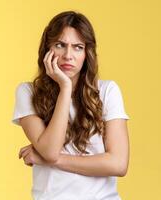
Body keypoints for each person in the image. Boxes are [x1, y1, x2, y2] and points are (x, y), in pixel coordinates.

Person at [11, 10, 130, 200]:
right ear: (47, 49)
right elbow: (50, 151)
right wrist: (65, 87)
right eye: (60, 45)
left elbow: (118, 164)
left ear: (87, 53)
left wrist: (51, 160)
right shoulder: (28, 93)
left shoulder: (108, 91)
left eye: (78, 47)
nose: (68, 55)